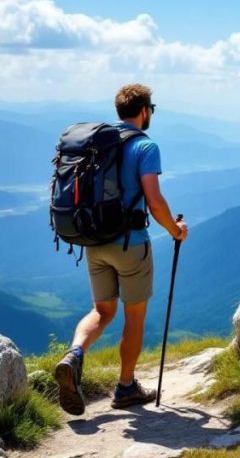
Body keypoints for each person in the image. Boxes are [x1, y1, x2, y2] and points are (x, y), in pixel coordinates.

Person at [54, 83, 189, 415]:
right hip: (130, 244)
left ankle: (74, 355)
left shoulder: (99, 145)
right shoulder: (145, 146)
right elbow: (154, 202)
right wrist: (176, 230)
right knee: (134, 315)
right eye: (151, 110)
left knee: (101, 311)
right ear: (144, 110)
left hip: (94, 241)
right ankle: (126, 386)